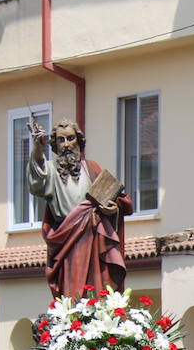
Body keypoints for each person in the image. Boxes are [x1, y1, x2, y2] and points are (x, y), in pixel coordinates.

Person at [28, 119, 133, 298]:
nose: (66, 144)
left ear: (79, 141)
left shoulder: (91, 168)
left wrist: (111, 210)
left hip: (93, 237)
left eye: (70, 138)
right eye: (61, 140)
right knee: (72, 291)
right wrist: (38, 148)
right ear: (54, 144)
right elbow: (38, 176)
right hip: (68, 240)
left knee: (97, 288)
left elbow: (117, 200)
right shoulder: (51, 170)